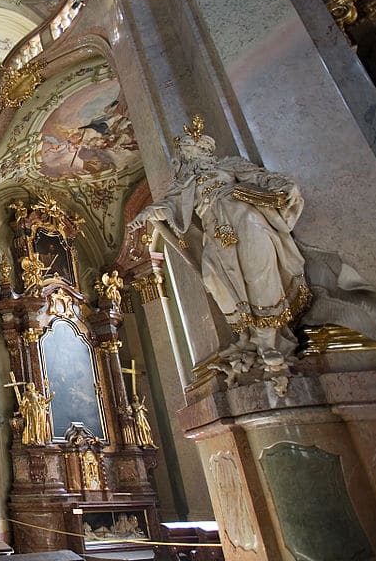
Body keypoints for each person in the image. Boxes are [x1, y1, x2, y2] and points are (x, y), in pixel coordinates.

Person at [130, 116, 311, 391]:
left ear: (204, 150)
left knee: (259, 270)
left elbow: (261, 178)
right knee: (215, 278)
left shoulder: (229, 165)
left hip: (246, 219)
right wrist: (145, 214)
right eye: (184, 152)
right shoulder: (185, 183)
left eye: (190, 150)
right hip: (215, 231)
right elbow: (169, 206)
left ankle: (266, 338)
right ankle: (245, 334)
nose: (186, 156)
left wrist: (283, 187)